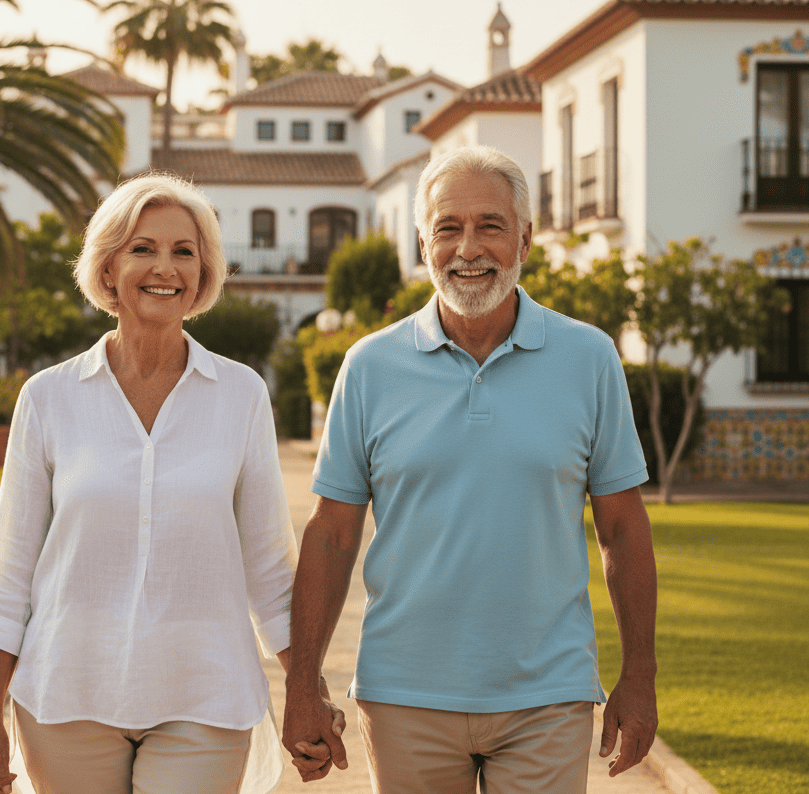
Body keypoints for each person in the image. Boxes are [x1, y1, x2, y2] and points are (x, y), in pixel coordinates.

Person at [282, 145, 658, 793]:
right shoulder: (370, 367)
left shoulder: (589, 358)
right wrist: (302, 687)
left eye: (490, 225)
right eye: (448, 228)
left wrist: (640, 675)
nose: (468, 248)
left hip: (549, 695)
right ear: (423, 241)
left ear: (526, 240)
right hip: (404, 694)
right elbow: (332, 534)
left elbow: (622, 528)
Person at [0, 173, 337, 794]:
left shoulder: (242, 394)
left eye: (183, 251)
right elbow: (10, 570)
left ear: (202, 274)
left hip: (206, 694)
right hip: (65, 694)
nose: (164, 267)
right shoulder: (48, 397)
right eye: (143, 248)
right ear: (108, 268)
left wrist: (306, 692)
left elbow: (271, 567)